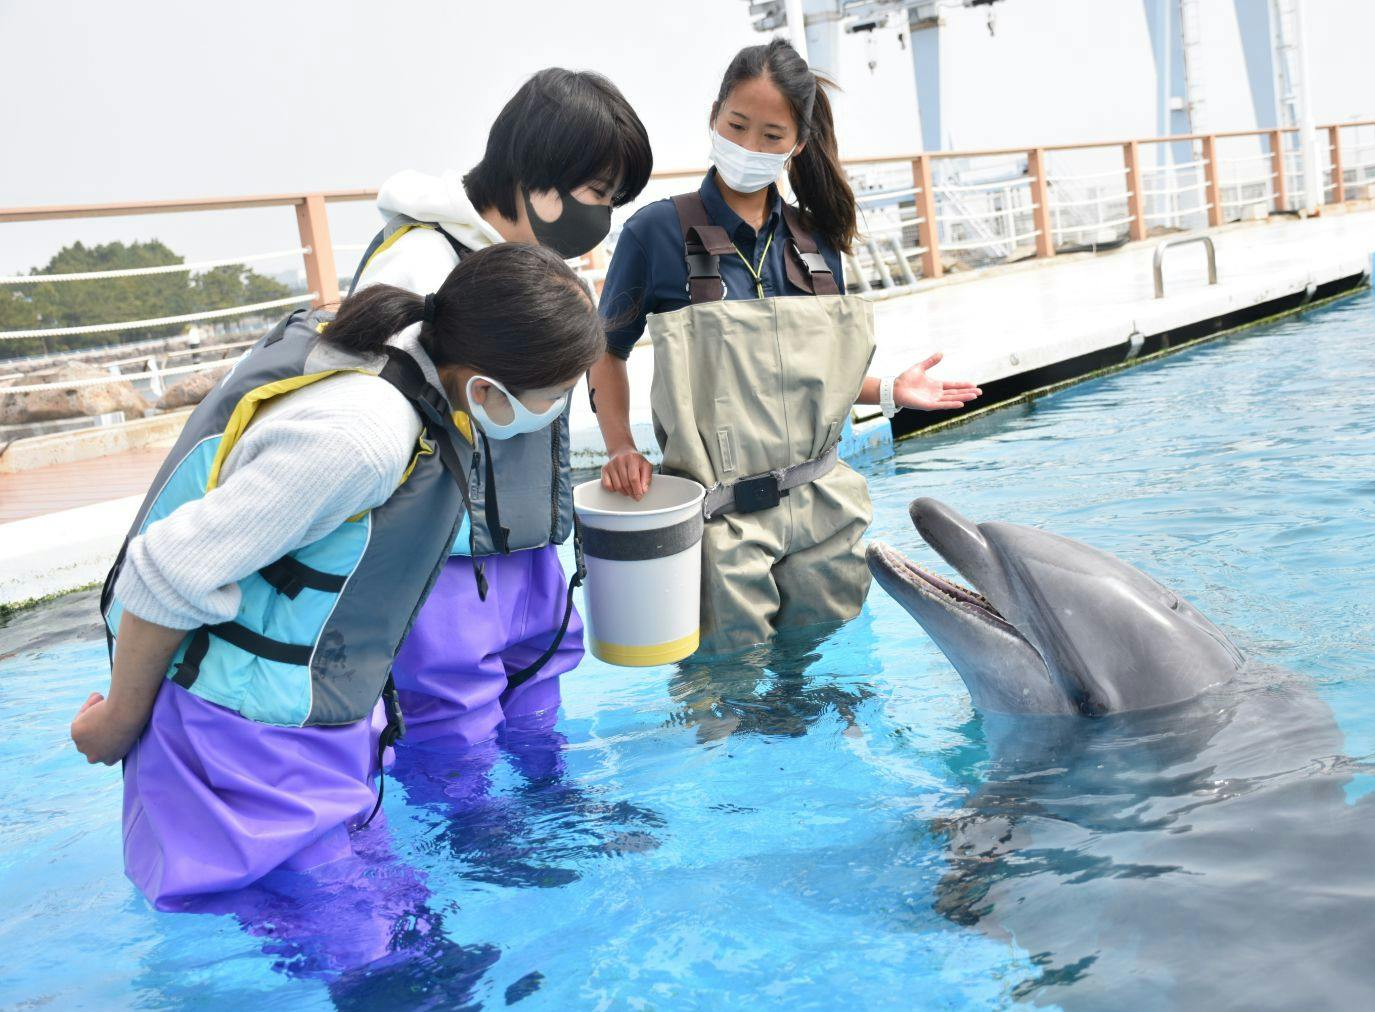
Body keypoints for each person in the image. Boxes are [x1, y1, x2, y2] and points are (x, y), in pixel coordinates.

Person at [70, 242, 606, 910]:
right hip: (238, 740)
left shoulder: (424, 379)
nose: (557, 410)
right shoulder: (360, 438)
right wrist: (120, 720)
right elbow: (163, 570)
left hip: (309, 728)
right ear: (487, 387)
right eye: (555, 395)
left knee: (413, 939)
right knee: (363, 954)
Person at [590, 39, 980, 654]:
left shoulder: (816, 242)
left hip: (824, 509)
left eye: (771, 135)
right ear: (713, 116)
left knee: (834, 680)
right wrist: (619, 446)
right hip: (721, 521)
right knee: (728, 693)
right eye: (737, 125)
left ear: (797, 144)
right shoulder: (654, 233)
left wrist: (889, 392)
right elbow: (605, 351)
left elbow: (815, 383)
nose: (749, 146)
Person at [353, 68, 653, 748]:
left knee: (539, 714)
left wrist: (617, 448)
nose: (601, 218)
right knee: (453, 735)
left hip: (527, 550)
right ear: (538, 179)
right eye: (596, 194)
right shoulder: (420, 264)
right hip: (443, 567)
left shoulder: (531, 262)